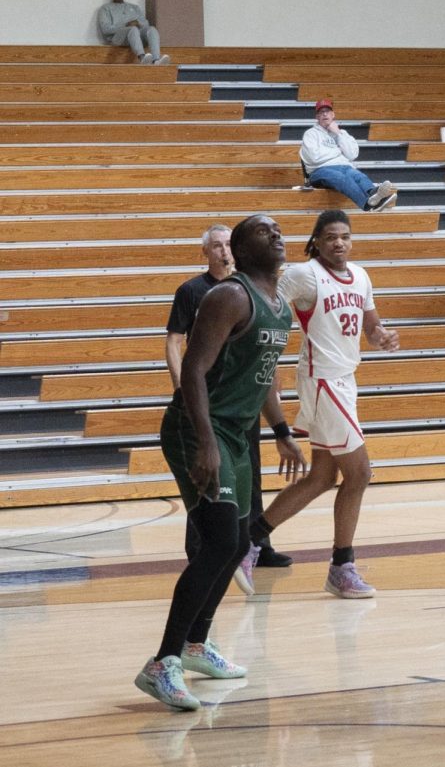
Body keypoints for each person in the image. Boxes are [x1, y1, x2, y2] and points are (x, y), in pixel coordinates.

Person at [134, 215, 306, 711]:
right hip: (198, 428)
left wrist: (280, 431)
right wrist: (205, 443)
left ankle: (194, 645)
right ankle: (161, 663)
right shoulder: (229, 297)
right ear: (240, 250)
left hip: (237, 432)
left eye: (277, 230)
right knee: (218, 543)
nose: (275, 236)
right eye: (261, 232)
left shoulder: (279, 307)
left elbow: (264, 378)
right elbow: (192, 369)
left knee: (239, 541)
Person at [236, 210, 400, 599]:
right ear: (317, 241)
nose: (338, 243)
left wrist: (383, 337)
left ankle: (250, 540)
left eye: (344, 236)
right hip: (321, 379)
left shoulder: (360, 276)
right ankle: (342, 566)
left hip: (345, 380)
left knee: (323, 477)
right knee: (359, 473)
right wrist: (268, 356)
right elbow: (266, 305)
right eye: (330, 237)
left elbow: (370, 328)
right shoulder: (304, 274)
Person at [165, 224, 291, 573]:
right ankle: (203, 553)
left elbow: (263, 360)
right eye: (216, 245)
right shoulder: (204, 292)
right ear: (206, 251)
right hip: (210, 409)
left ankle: (254, 546)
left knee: (243, 495)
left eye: (225, 245)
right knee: (211, 498)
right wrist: (183, 387)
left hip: (242, 410)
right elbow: (180, 348)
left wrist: (281, 427)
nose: (222, 251)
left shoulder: (271, 298)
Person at [300, 98, 397, 212]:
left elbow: (352, 155)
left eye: (328, 111)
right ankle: (368, 205)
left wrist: (338, 134)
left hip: (345, 167)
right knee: (341, 178)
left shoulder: (342, 133)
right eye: (321, 112)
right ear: (317, 117)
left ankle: (374, 195)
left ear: (333, 115)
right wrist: (338, 151)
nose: (325, 114)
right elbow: (314, 157)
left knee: (358, 176)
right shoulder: (310, 134)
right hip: (319, 171)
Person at [97, 0, 170, 65]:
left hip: (136, 36)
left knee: (152, 29)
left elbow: (146, 23)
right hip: (118, 38)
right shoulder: (105, 8)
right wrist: (125, 25)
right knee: (132, 29)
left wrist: (138, 23)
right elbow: (105, 29)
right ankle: (142, 58)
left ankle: (156, 59)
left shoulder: (134, 7)